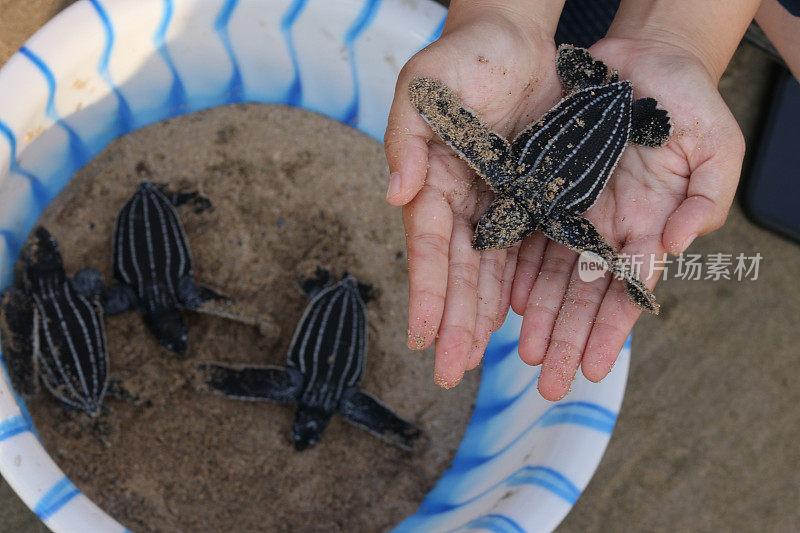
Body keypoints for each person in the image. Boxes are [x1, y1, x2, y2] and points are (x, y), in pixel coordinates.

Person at [383, 0, 764, 400]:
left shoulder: (547, 210)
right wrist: (501, 16)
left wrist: (676, 39)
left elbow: (596, 245)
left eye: (487, 225)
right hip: (604, 103)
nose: (485, 231)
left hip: (607, 102)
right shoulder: (517, 183)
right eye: (494, 230)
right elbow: (476, 142)